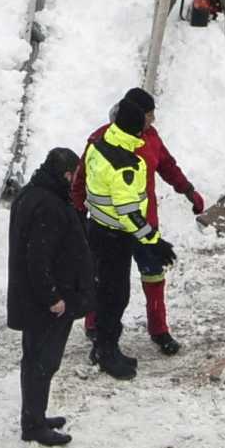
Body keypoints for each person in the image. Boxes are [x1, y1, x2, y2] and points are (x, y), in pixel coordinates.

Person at [69, 87, 204, 358]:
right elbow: (82, 178)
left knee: (153, 277)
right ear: (137, 115)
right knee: (105, 282)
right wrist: (78, 213)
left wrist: (187, 190)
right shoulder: (103, 139)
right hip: (113, 229)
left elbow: (167, 166)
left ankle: (159, 329)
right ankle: (95, 325)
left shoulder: (151, 138)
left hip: (145, 225)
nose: (153, 121)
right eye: (150, 115)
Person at [76, 91, 173, 380]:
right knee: (115, 296)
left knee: (105, 292)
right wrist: (154, 241)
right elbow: (129, 213)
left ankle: (104, 348)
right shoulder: (124, 163)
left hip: (98, 229)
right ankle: (107, 353)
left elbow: (85, 182)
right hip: (115, 237)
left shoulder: (99, 144)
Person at [7, 145, 92, 447]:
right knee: (42, 361)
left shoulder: (33, 194)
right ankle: (33, 425)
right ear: (66, 174)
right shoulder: (48, 205)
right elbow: (38, 259)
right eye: (75, 175)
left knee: (36, 359)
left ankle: (36, 416)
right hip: (46, 304)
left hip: (34, 299)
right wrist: (53, 297)